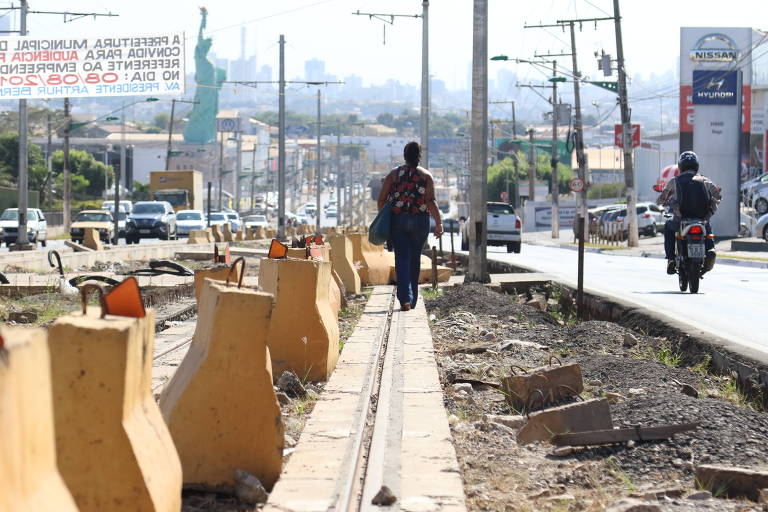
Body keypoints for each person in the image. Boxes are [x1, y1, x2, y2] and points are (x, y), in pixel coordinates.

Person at [377, 142, 443, 311]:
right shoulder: (426, 176)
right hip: (420, 221)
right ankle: (412, 299)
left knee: (402, 259)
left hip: (398, 220)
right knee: (415, 259)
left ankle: (405, 298)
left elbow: (381, 200)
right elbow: (430, 201)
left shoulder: (393, 174)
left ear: (405, 156)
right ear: (419, 156)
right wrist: (439, 223)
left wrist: (385, 218)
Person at [657, 151, 721, 275]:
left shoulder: (674, 181)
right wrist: (710, 211)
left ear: (680, 166)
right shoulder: (705, 180)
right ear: (696, 165)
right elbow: (717, 196)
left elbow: (662, 198)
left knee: (668, 227)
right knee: (707, 229)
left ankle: (670, 259)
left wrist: (663, 200)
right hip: (701, 219)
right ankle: (710, 249)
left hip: (680, 219)